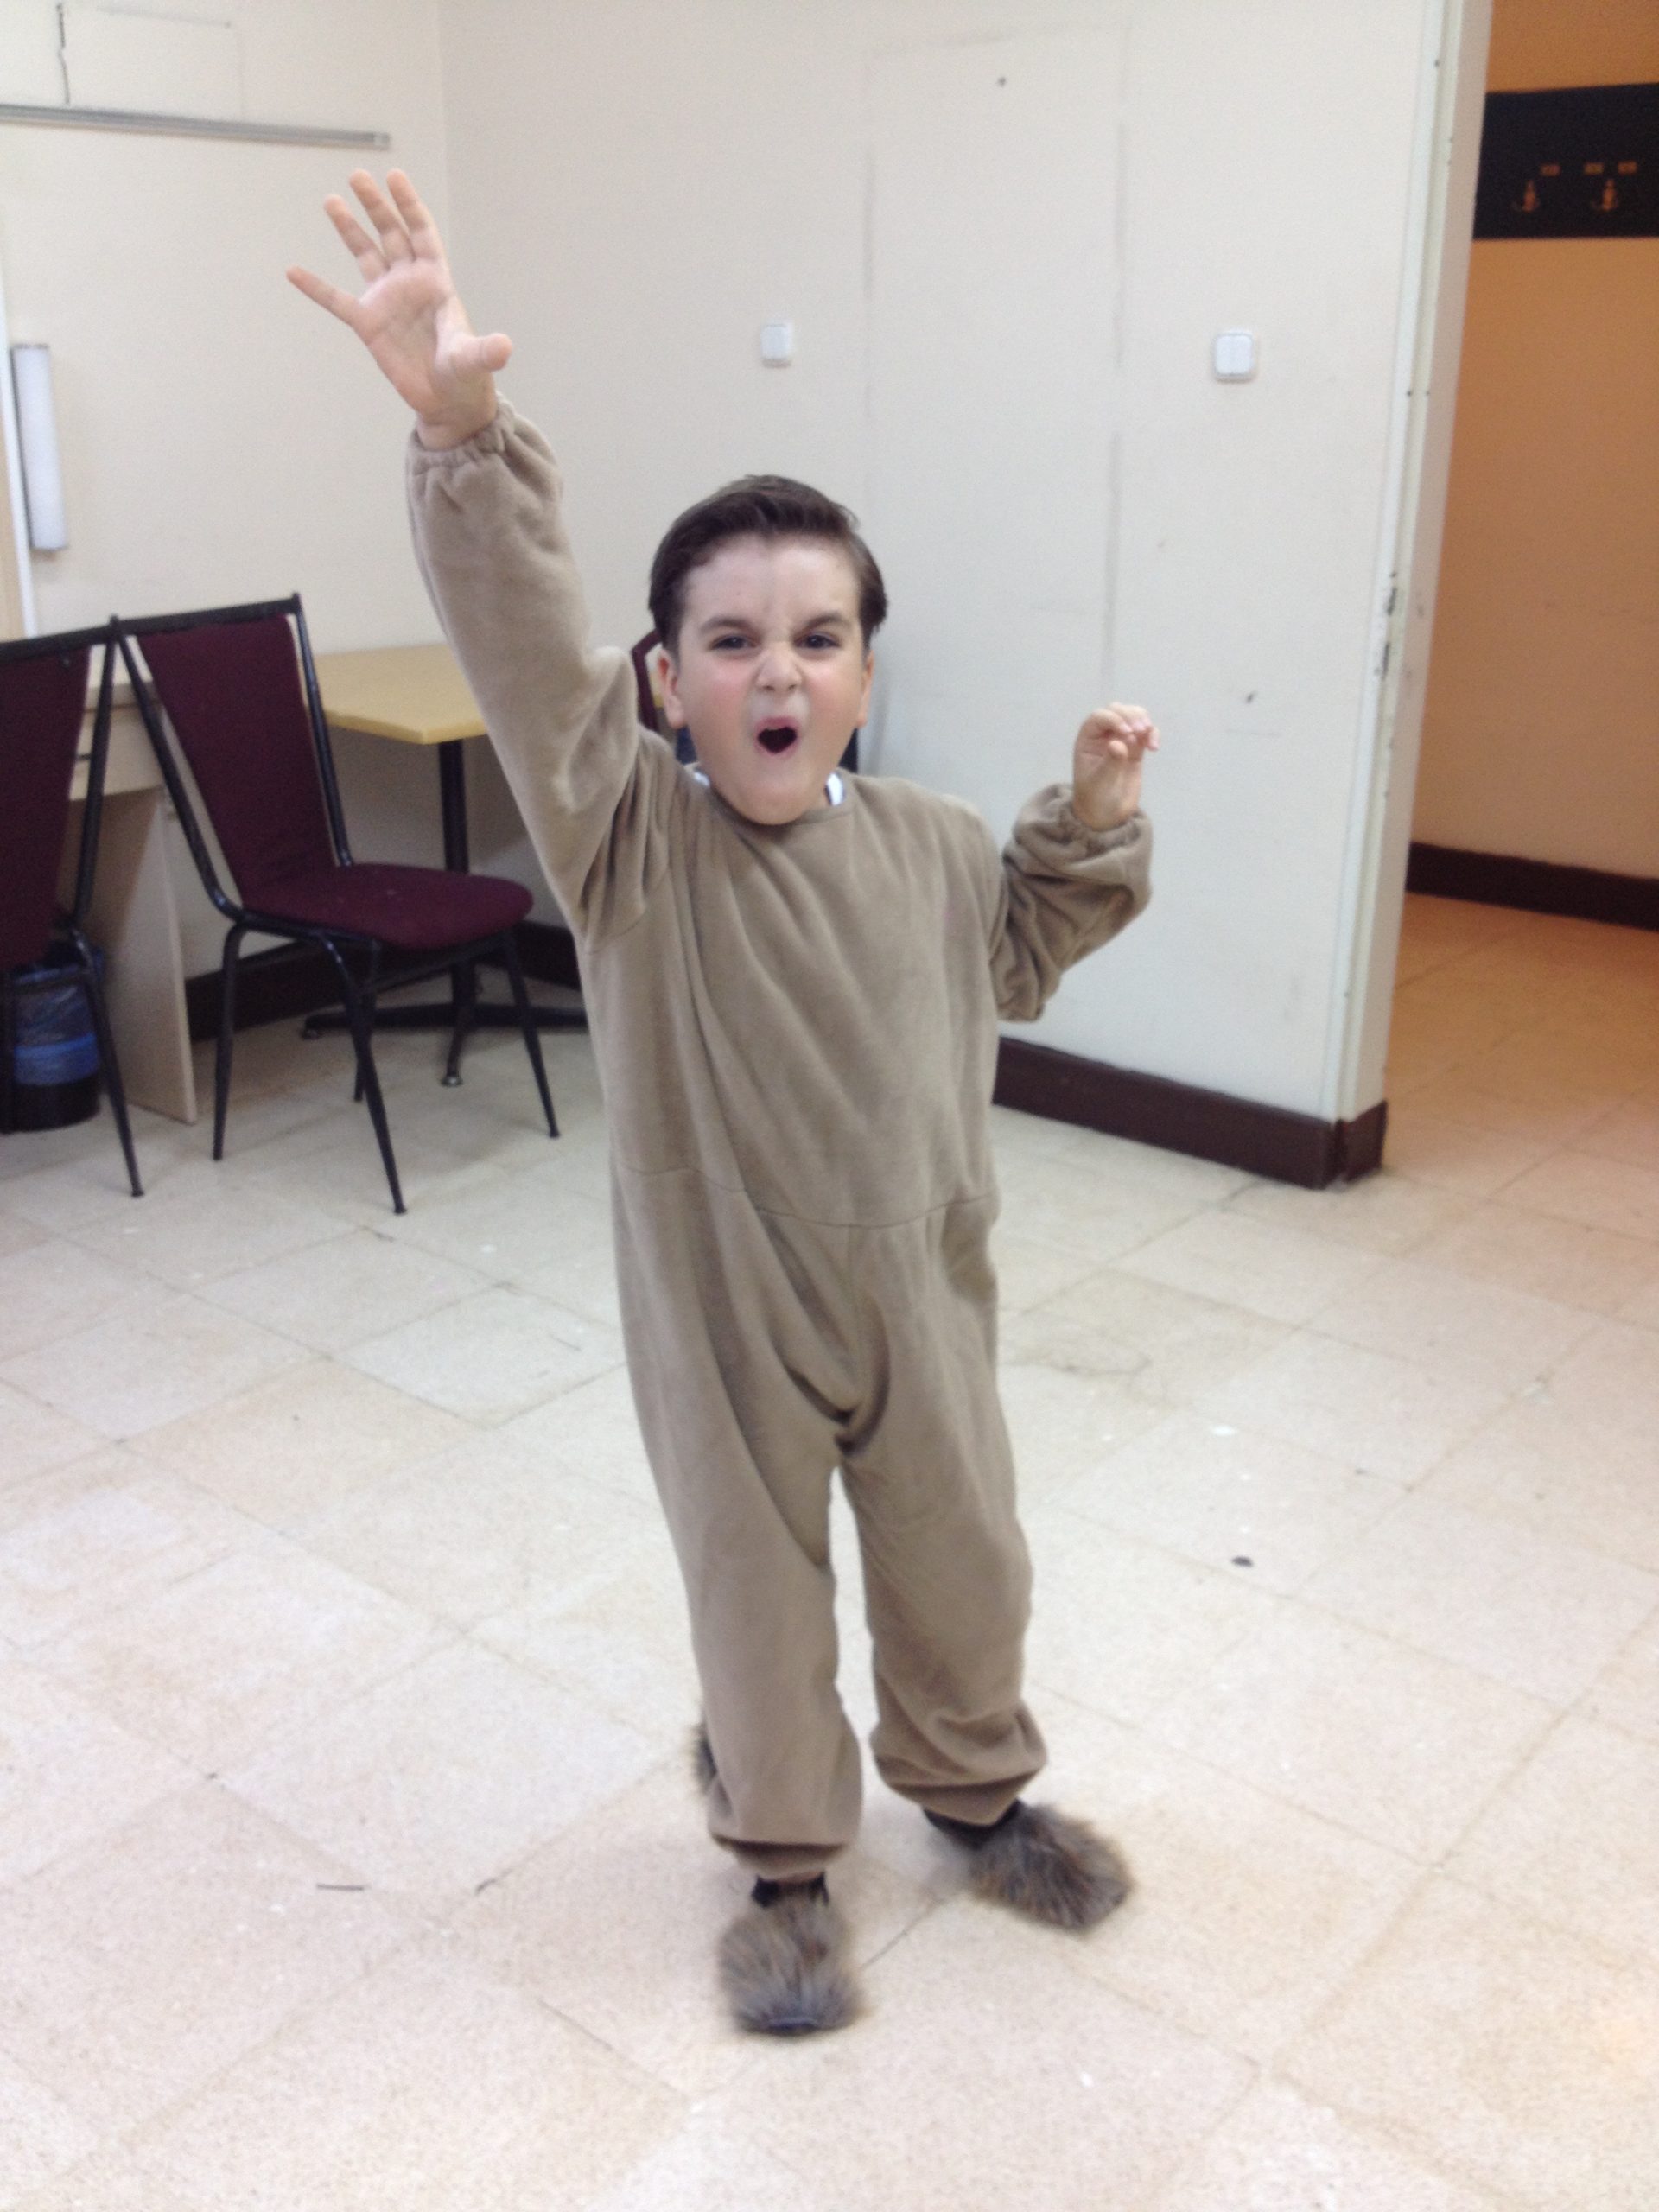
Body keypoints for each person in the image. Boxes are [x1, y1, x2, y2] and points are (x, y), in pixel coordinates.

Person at [290, 169, 1158, 2038]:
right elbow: (527, 654)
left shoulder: (932, 841)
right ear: (667, 681)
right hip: (726, 1308)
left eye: (819, 637)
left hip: (925, 1291)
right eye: (735, 640)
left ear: (864, 672)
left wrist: (1084, 825)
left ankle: (976, 1786)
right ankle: (781, 1855)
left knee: (965, 1555)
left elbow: (1015, 954)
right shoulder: (631, 849)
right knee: (756, 1596)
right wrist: (465, 444)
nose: (780, 667)